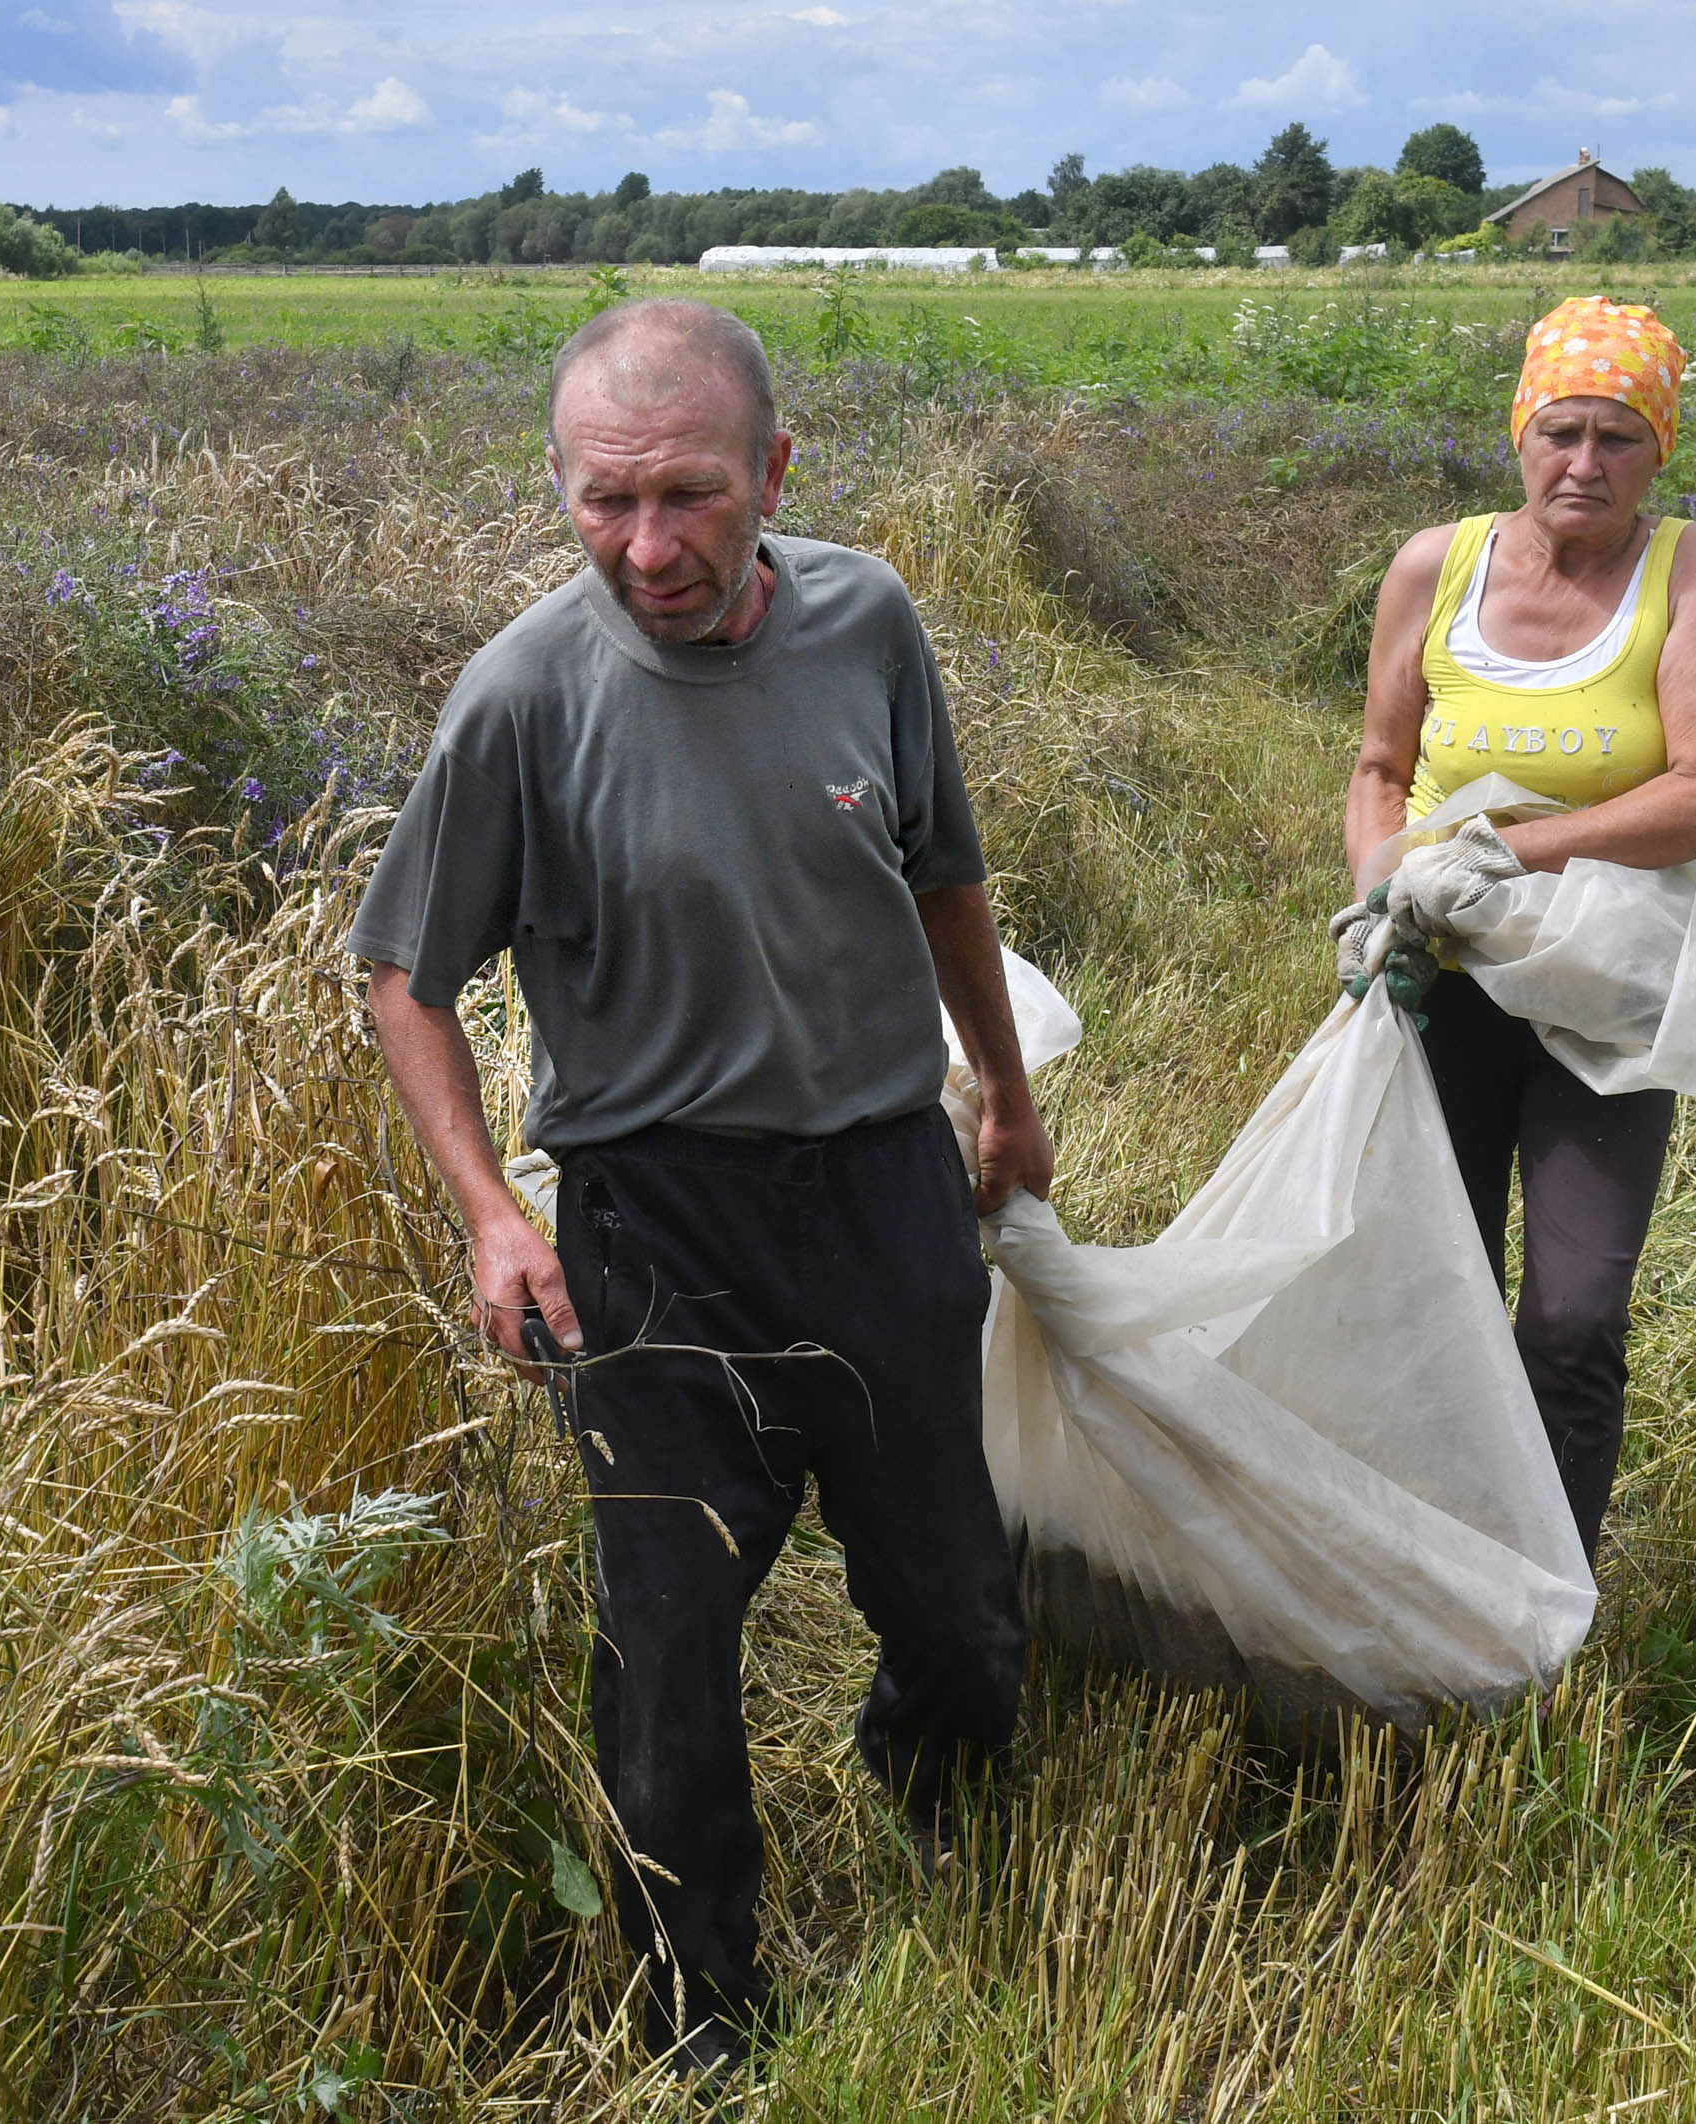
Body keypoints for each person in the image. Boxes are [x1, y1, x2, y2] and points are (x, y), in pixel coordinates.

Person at [347, 299, 1052, 2075]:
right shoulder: (522, 697)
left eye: (688, 495)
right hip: (655, 1225)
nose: (646, 547)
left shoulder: (868, 620)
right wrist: (494, 1214)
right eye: (604, 502)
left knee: (959, 1605)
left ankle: (935, 1796)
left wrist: (1007, 1097)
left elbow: (946, 870)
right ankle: (700, 2017)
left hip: (884, 1189)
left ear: (776, 476)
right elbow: (402, 974)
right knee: (666, 1641)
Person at [1337, 297, 1696, 1563]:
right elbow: (1378, 764)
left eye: (1619, 438)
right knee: (1432, 1290)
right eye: (1561, 431)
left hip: (1602, 994)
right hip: (1439, 983)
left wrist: (1503, 851)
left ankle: (1547, 1588)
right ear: (1520, 433)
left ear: (1661, 450)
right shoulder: (1438, 565)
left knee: (1573, 1315)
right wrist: (1379, 901)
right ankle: (1427, 1560)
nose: (1585, 464)